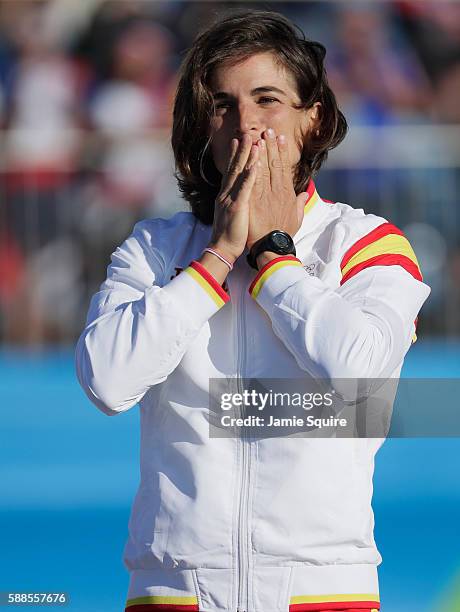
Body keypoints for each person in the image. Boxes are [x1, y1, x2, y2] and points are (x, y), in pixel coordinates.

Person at [75, 10, 430, 612]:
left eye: (267, 99)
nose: (246, 124)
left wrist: (273, 260)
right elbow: (107, 382)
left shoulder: (367, 242)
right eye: (222, 105)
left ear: (313, 118)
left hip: (324, 589)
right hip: (173, 590)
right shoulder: (156, 246)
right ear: (202, 126)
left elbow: (359, 378)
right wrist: (216, 260)